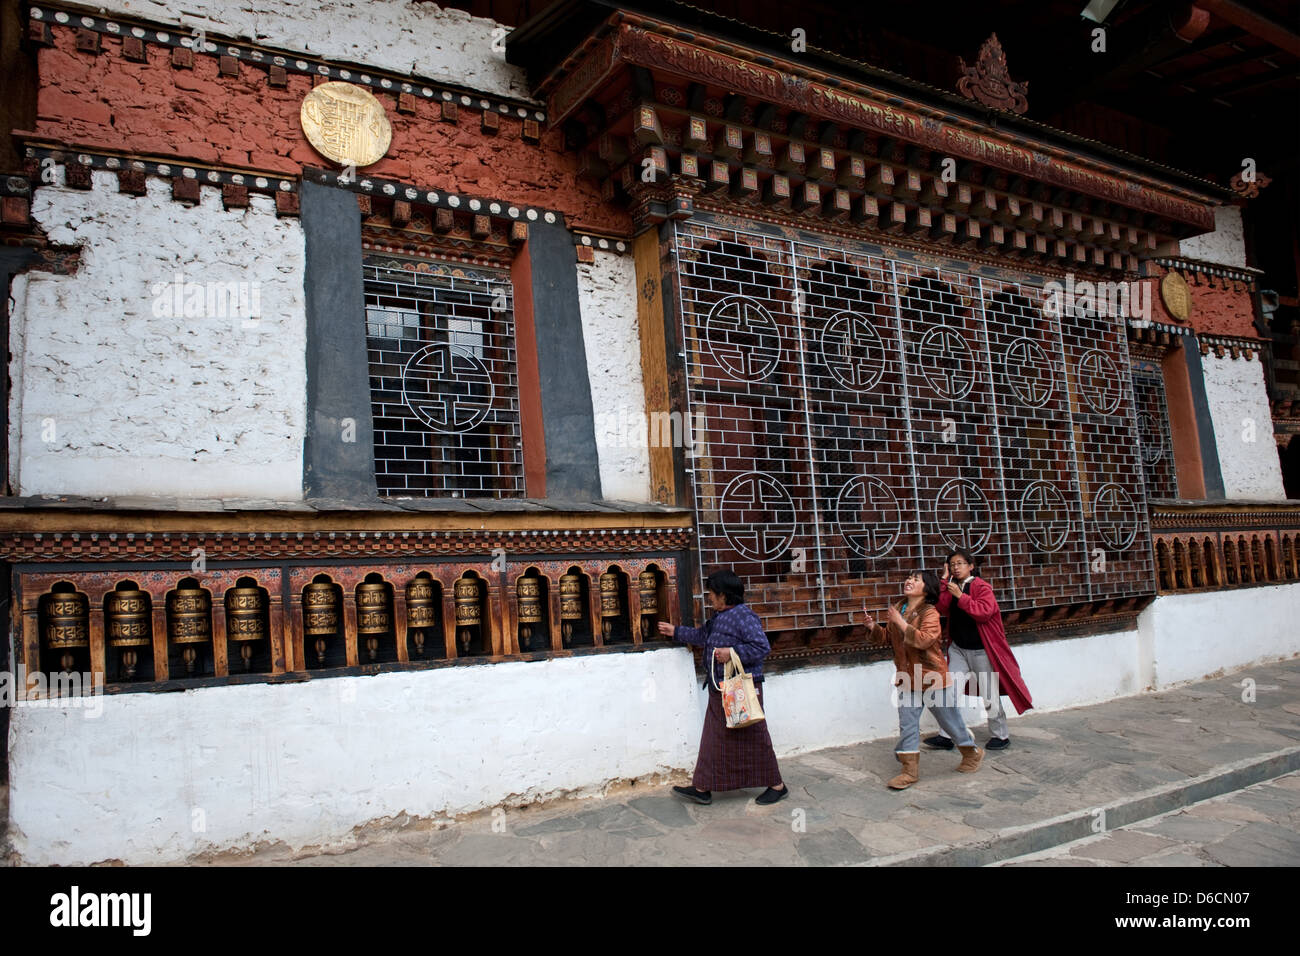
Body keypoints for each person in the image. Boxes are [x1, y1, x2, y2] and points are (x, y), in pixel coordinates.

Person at [657, 570, 787, 806]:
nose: (710, 598)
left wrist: (731, 653)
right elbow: (701, 636)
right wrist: (675, 632)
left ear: (725, 596)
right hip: (721, 689)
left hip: (741, 689)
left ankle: (777, 785)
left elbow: (761, 647)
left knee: (754, 736)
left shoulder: (744, 617)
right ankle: (702, 787)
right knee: (713, 738)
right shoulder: (719, 617)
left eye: (713, 594)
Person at [863, 570, 982, 789]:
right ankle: (909, 771)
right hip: (907, 676)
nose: (909, 581)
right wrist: (874, 629)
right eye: (909, 578)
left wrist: (900, 623)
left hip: (932, 676)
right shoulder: (900, 608)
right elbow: (889, 637)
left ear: (926, 588)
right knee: (907, 723)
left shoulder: (930, 613)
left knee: (950, 722)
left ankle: (971, 752)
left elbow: (924, 641)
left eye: (916, 579)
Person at [925, 549, 1034, 752]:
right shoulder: (952, 586)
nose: (956, 568)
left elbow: (984, 613)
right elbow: (942, 607)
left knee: (989, 693)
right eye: (952, 564)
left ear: (971, 566)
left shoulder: (982, 587)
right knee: (949, 691)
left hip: (981, 649)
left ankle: (1000, 735)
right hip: (958, 648)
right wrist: (943, 581)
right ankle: (946, 735)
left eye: (960, 564)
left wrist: (961, 596)